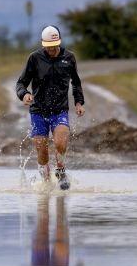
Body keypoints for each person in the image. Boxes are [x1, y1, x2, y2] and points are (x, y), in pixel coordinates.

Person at [15, 25, 85, 189]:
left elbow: (76, 82)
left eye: (55, 47)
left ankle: (60, 171)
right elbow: (21, 83)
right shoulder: (34, 58)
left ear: (59, 42)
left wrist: (79, 102)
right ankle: (45, 183)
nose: (52, 50)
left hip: (59, 110)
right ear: (42, 43)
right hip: (38, 111)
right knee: (42, 149)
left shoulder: (69, 58)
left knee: (61, 142)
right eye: (48, 47)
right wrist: (24, 94)